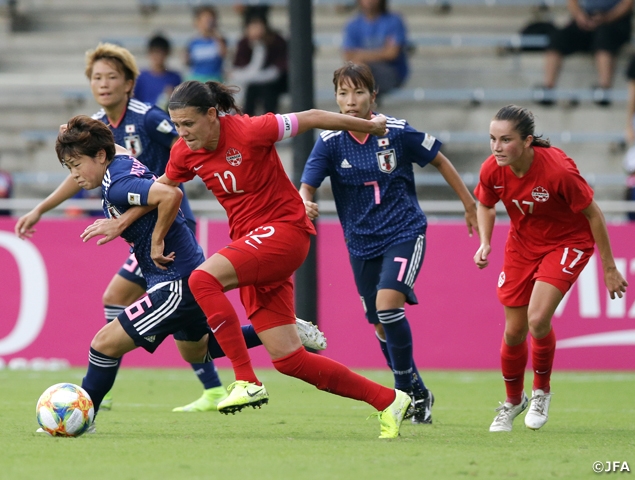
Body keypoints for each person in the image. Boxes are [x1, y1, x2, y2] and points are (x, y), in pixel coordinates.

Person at [153, 79, 412, 439]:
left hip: (286, 231)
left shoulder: (250, 129)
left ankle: (245, 380)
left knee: (202, 279)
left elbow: (313, 116)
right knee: (289, 359)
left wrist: (367, 125)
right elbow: (163, 188)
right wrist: (123, 219)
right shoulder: (183, 152)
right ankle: (389, 400)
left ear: (212, 114)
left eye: (189, 124)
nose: (183, 133)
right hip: (253, 245)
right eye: (178, 126)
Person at [44, 116, 325, 431]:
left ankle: (84, 417)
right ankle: (277, 330)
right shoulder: (117, 160)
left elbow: (171, 195)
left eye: (76, 165)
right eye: (69, 168)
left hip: (173, 281)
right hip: (183, 271)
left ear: (99, 156)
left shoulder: (118, 181)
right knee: (198, 350)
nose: (75, 175)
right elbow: (116, 149)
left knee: (103, 343)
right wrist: (76, 130)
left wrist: (151, 239)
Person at [14, 42, 223, 414]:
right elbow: (83, 174)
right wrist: (42, 208)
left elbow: (185, 151)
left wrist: (137, 211)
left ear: (129, 83)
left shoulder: (147, 119)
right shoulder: (97, 136)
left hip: (169, 224)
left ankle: (99, 385)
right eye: (96, 77)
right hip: (147, 231)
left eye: (112, 76)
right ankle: (266, 345)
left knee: (113, 321)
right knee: (190, 337)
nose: (103, 83)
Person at [299, 62, 478, 425]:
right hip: (361, 243)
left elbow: (439, 160)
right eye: (343, 94)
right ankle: (418, 391)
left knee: (387, 305)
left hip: (403, 232)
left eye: (358, 92)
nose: (350, 101)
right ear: (335, 98)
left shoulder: (395, 132)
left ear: (373, 96)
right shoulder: (330, 142)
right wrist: (304, 200)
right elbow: (307, 184)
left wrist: (470, 203)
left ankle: (401, 393)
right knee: (381, 324)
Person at [473, 105, 627, 432]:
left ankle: (541, 390)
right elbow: (485, 203)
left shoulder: (558, 171)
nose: (497, 147)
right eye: (492, 139)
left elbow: (593, 214)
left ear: (528, 141)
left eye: (506, 140)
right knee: (514, 331)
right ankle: (513, 401)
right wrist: (486, 242)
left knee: (537, 319)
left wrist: (609, 267)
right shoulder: (492, 169)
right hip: (522, 243)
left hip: (567, 242)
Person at [535, 0, 634, 106]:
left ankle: (604, 89)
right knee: (556, 39)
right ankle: (548, 89)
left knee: (604, 39)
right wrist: (580, 16)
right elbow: (572, 2)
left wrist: (607, 17)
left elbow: (628, 3)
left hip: (616, 21)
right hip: (586, 19)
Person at [342, 0, 409, 97]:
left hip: (391, 72)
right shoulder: (353, 24)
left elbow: (392, 53)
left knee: (358, 69)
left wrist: (362, 56)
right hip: (363, 72)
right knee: (355, 69)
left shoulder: (393, 21)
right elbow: (348, 55)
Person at [230, 12, 288, 116]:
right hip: (253, 84)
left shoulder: (276, 41)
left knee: (268, 92)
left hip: (275, 84)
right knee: (249, 92)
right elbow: (238, 69)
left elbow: (276, 71)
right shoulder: (244, 43)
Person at [134, 34, 182, 110]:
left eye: (161, 52)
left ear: (167, 53)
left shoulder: (175, 78)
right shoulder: (140, 78)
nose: (158, 56)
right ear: (149, 53)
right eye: (155, 52)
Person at [185, 6, 227, 83]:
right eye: (204, 19)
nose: (207, 22)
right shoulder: (193, 41)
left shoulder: (219, 40)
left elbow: (223, 54)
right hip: (197, 79)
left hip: (215, 79)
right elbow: (188, 61)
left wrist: (214, 34)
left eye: (209, 19)